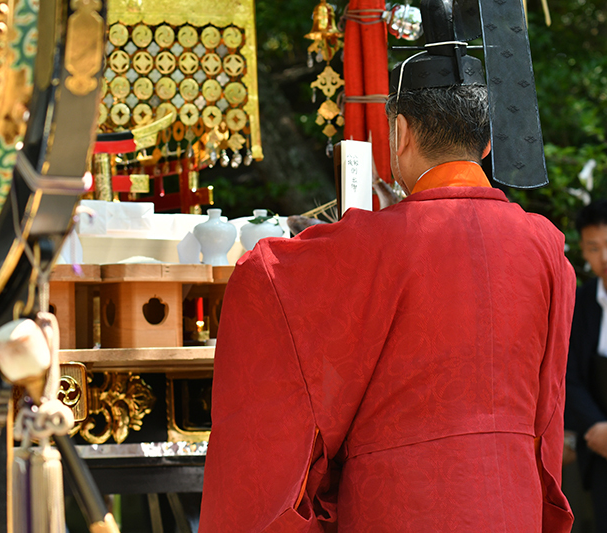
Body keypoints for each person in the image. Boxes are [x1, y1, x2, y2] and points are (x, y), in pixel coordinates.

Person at [199, 15, 576, 533]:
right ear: (487, 143)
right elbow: (548, 411)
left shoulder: (369, 244)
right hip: (511, 502)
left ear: (399, 134)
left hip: (402, 505)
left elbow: (262, 276)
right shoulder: (546, 247)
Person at [565, 199, 607, 532]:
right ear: (582, 249)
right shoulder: (581, 300)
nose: (605, 257)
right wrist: (601, 434)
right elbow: (569, 376)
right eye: (593, 248)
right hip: (602, 450)